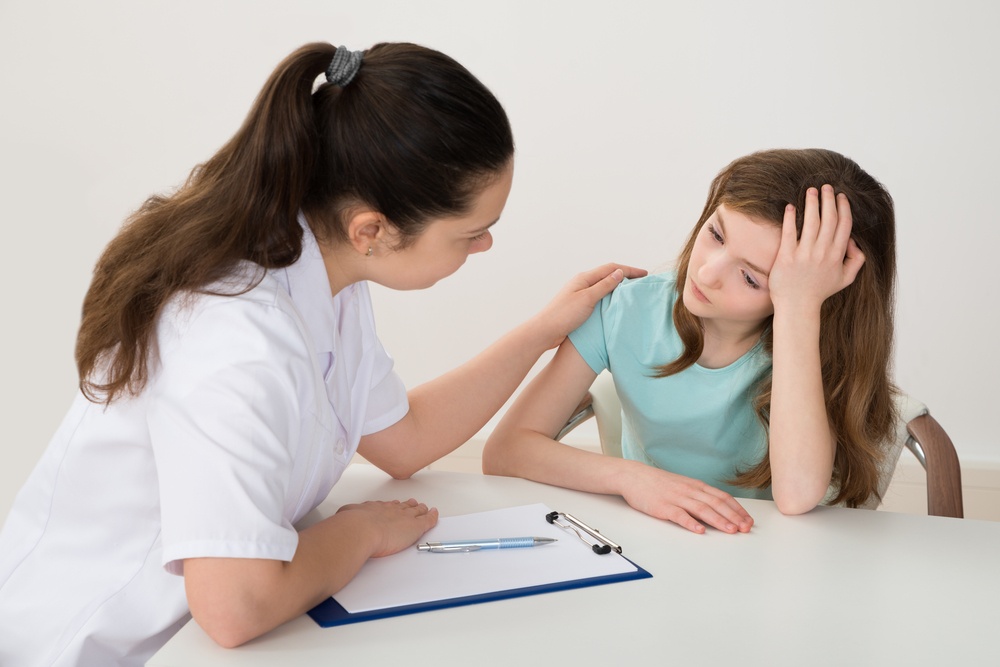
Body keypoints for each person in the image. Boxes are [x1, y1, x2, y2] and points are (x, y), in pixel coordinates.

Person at [0, 42, 644, 666]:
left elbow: (405, 440)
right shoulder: (237, 341)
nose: (485, 248)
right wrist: (360, 532)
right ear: (372, 229)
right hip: (93, 646)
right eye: (472, 233)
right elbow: (235, 607)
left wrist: (543, 332)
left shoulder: (323, 272)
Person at [483, 148, 897, 536]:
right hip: (658, 536)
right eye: (716, 234)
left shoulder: (812, 341)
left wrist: (798, 309)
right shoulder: (623, 309)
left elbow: (797, 495)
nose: (707, 273)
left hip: (777, 545)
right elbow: (506, 451)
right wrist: (632, 478)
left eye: (750, 277)